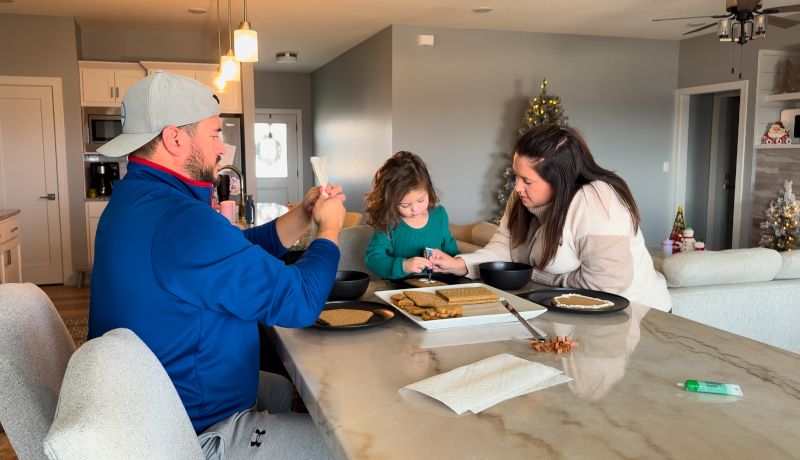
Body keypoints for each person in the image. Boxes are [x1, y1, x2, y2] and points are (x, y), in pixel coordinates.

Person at [88, 72, 344, 458]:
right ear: (175, 138)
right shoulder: (180, 219)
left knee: (293, 391)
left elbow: (232, 249)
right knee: (346, 443)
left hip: (162, 402)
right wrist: (331, 230)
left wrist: (303, 216)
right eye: (213, 134)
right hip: (196, 433)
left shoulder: (137, 202)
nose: (222, 148)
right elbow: (301, 301)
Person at [432, 124, 671, 311]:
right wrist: (461, 264)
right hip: (569, 305)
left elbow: (606, 284)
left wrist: (534, 275)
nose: (517, 188)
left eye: (527, 181)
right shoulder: (521, 199)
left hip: (638, 314)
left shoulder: (595, 199)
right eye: (517, 176)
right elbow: (503, 250)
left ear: (559, 179)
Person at [364, 151, 459, 280]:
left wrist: (450, 264)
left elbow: (452, 250)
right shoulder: (388, 221)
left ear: (429, 191)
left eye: (421, 200)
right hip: (397, 289)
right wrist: (402, 266)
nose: (415, 209)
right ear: (391, 201)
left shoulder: (439, 215)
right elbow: (373, 258)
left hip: (438, 285)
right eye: (405, 205)